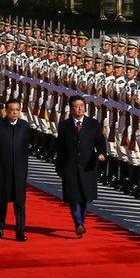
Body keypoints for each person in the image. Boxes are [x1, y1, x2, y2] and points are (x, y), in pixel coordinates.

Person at [55, 94, 107, 238]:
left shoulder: (93, 124)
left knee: (84, 197)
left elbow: (100, 141)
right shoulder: (64, 125)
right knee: (73, 197)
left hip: (87, 166)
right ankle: (78, 223)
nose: (79, 109)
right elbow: (60, 147)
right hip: (70, 166)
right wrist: (59, 166)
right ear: (71, 109)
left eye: (82, 106)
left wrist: (102, 153)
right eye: (76, 106)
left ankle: (80, 221)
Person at [0, 98, 32, 241]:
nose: (14, 112)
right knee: (1, 201)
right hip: (2, 169)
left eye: (17, 110)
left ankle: (20, 232)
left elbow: (27, 146)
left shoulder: (24, 126)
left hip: (19, 171)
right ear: (6, 111)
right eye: (11, 110)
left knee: (20, 203)